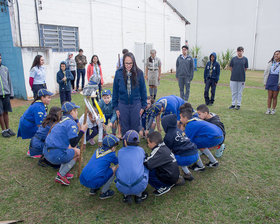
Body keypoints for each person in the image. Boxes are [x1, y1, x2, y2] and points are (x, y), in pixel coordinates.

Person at [43, 102, 88, 186]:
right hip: (55, 155)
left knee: (70, 150)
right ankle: (61, 175)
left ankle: (63, 172)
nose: (77, 113)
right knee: (78, 152)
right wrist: (82, 131)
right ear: (71, 112)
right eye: (76, 111)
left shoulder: (60, 121)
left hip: (46, 152)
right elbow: (74, 143)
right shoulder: (71, 123)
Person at [180, 103, 224, 171]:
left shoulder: (190, 125)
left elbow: (187, 141)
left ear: (185, 118)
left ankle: (200, 166)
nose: (180, 120)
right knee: (199, 143)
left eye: (181, 117)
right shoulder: (194, 119)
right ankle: (213, 162)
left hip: (215, 138)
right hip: (220, 135)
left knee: (193, 145)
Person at [112, 52, 147, 137]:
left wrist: (143, 106)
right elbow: (115, 91)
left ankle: (134, 145)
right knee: (124, 126)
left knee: (135, 126)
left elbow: (143, 91)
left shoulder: (139, 73)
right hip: (123, 104)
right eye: (126, 63)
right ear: (123, 62)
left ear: (134, 62)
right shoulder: (118, 73)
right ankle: (126, 144)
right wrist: (116, 107)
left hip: (135, 103)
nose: (128, 65)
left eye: (130, 63)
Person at [80, 134, 119, 199]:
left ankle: (93, 189)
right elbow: (118, 163)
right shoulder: (111, 154)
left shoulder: (97, 150)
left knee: (99, 169)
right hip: (94, 181)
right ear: (112, 147)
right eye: (115, 146)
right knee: (115, 168)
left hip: (83, 178)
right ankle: (104, 192)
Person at [144, 131, 183, 196]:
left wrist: (143, 158)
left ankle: (162, 187)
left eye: (148, 143)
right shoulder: (163, 146)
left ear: (153, 143)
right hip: (174, 175)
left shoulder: (158, 150)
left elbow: (148, 164)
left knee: (147, 171)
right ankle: (171, 182)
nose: (148, 145)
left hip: (169, 178)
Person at [115, 130, 149, 204]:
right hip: (139, 185)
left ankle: (126, 195)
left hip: (122, 186)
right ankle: (139, 196)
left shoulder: (120, 151)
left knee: (119, 168)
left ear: (125, 142)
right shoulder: (141, 150)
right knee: (145, 167)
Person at [161, 114, 198, 181]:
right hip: (195, 153)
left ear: (166, 125)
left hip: (185, 158)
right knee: (180, 154)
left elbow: (166, 150)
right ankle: (188, 174)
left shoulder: (168, 136)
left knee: (168, 159)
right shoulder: (180, 131)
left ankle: (176, 178)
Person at [0, 54, 16, 138]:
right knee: (0, 113)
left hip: (6, 94)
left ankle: (8, 129)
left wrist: (11, 93)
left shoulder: (5, 69)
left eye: (0, 58)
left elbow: (9, 82)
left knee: (6, 111)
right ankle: (3, 130)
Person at [263, 50, 280, 115]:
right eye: (275, 54)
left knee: (275, 96)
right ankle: (268, 109)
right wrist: (265, 81)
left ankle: (273, 109)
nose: (276, 55)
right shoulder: (271, 62)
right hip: (270, 79)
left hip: (277, 80)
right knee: (269, 96)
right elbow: (266, 72)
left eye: (277, 54)